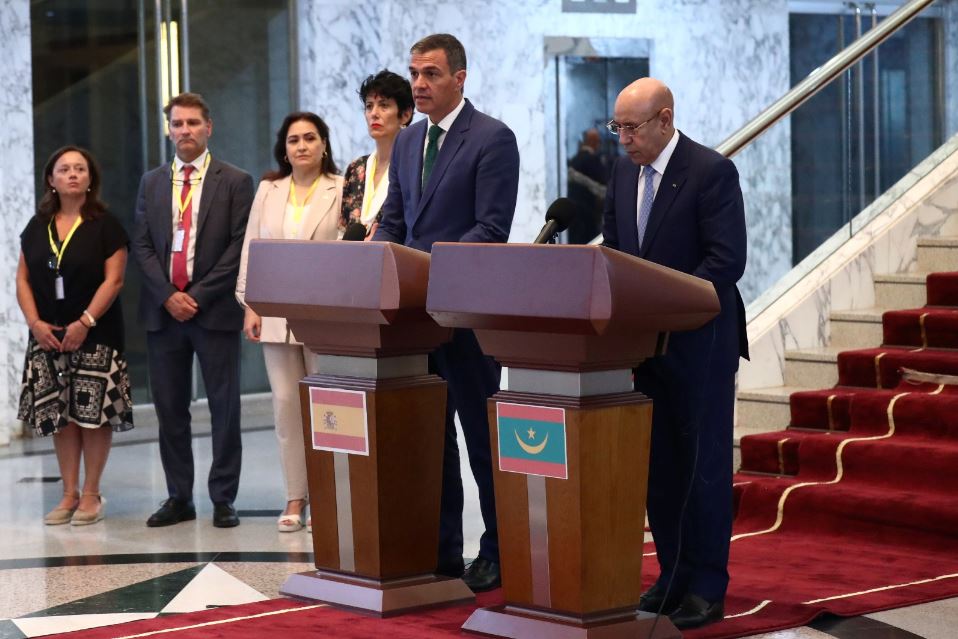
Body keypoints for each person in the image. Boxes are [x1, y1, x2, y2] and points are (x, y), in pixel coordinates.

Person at [373, 33, 520, 592]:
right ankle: (441, 551)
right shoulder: (408, 141)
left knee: (483, 442)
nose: (418, 84)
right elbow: (394, 216)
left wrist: (422, 267)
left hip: (466, 317)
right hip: (413, 320)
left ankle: (501, 549)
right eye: (414, 73)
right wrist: (379, 256)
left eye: (431, 73)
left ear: (460, 77)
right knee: (430, 440)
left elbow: (490, 229)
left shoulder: (491, 138)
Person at [601, 77, 748, 630]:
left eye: (632, 128)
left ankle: (708, 586)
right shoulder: (620, 173)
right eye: (616, 128)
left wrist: (662, 304)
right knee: (658, 468)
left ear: (665, 119)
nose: (623, 140)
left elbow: (725, 262)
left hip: (700, 345)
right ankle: (671, 575)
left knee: (701, 467)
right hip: (641, 348)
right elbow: (614, 250)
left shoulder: (711, 172)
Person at [132, 92, 254, 529]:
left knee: (225, 407)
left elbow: (239, 245)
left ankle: (223, 497)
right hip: (163, 314)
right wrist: (168, 294)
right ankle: (178, 496)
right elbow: (142, 244)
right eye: (177, 124)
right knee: (170, 408)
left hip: (214, 310)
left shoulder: (236, 181)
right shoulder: (152, 182)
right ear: (169, 130)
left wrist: (197, 295)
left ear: (209, 127)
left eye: (192, 123)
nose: (184, 131)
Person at [235, 112, 342, 532]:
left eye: (310, 138)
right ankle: (295, 496)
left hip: (324, 315)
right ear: (284, 148)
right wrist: (251, 304)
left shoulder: (339, 188)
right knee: (285, 406)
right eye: (294, 139)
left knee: (327, 408)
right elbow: (252, 248)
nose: (302, 146)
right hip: (275, 314)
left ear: (324, 145)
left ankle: (329, 496)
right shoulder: (268, 189)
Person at [17, 146, 133, 526]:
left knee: (92, 415)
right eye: (63, 169)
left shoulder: (106, 224)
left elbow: (114, 280)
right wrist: (35, 323)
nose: (72, 174)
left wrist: (84, 321)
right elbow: (22, 279)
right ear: (50, 179)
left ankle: (91, 493)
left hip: (95, 334)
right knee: (60, 416)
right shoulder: (38, 227)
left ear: (90, 179)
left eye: (80, 169)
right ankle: (68, 493)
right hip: (48, 335)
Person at [341, 71, 414, 237]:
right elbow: (343, 230)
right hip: (351, 260)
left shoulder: (414, 166)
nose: (374, 113)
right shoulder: (356, 168)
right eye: (369, 106)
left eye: (384, 105)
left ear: (405, 115)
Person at [566, 127, 608, 244]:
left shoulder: (574, 160)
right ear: (594, 142)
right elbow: (604, 190)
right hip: (588, 217)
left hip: (572, 218)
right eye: (598, 141)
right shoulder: (594, 161)